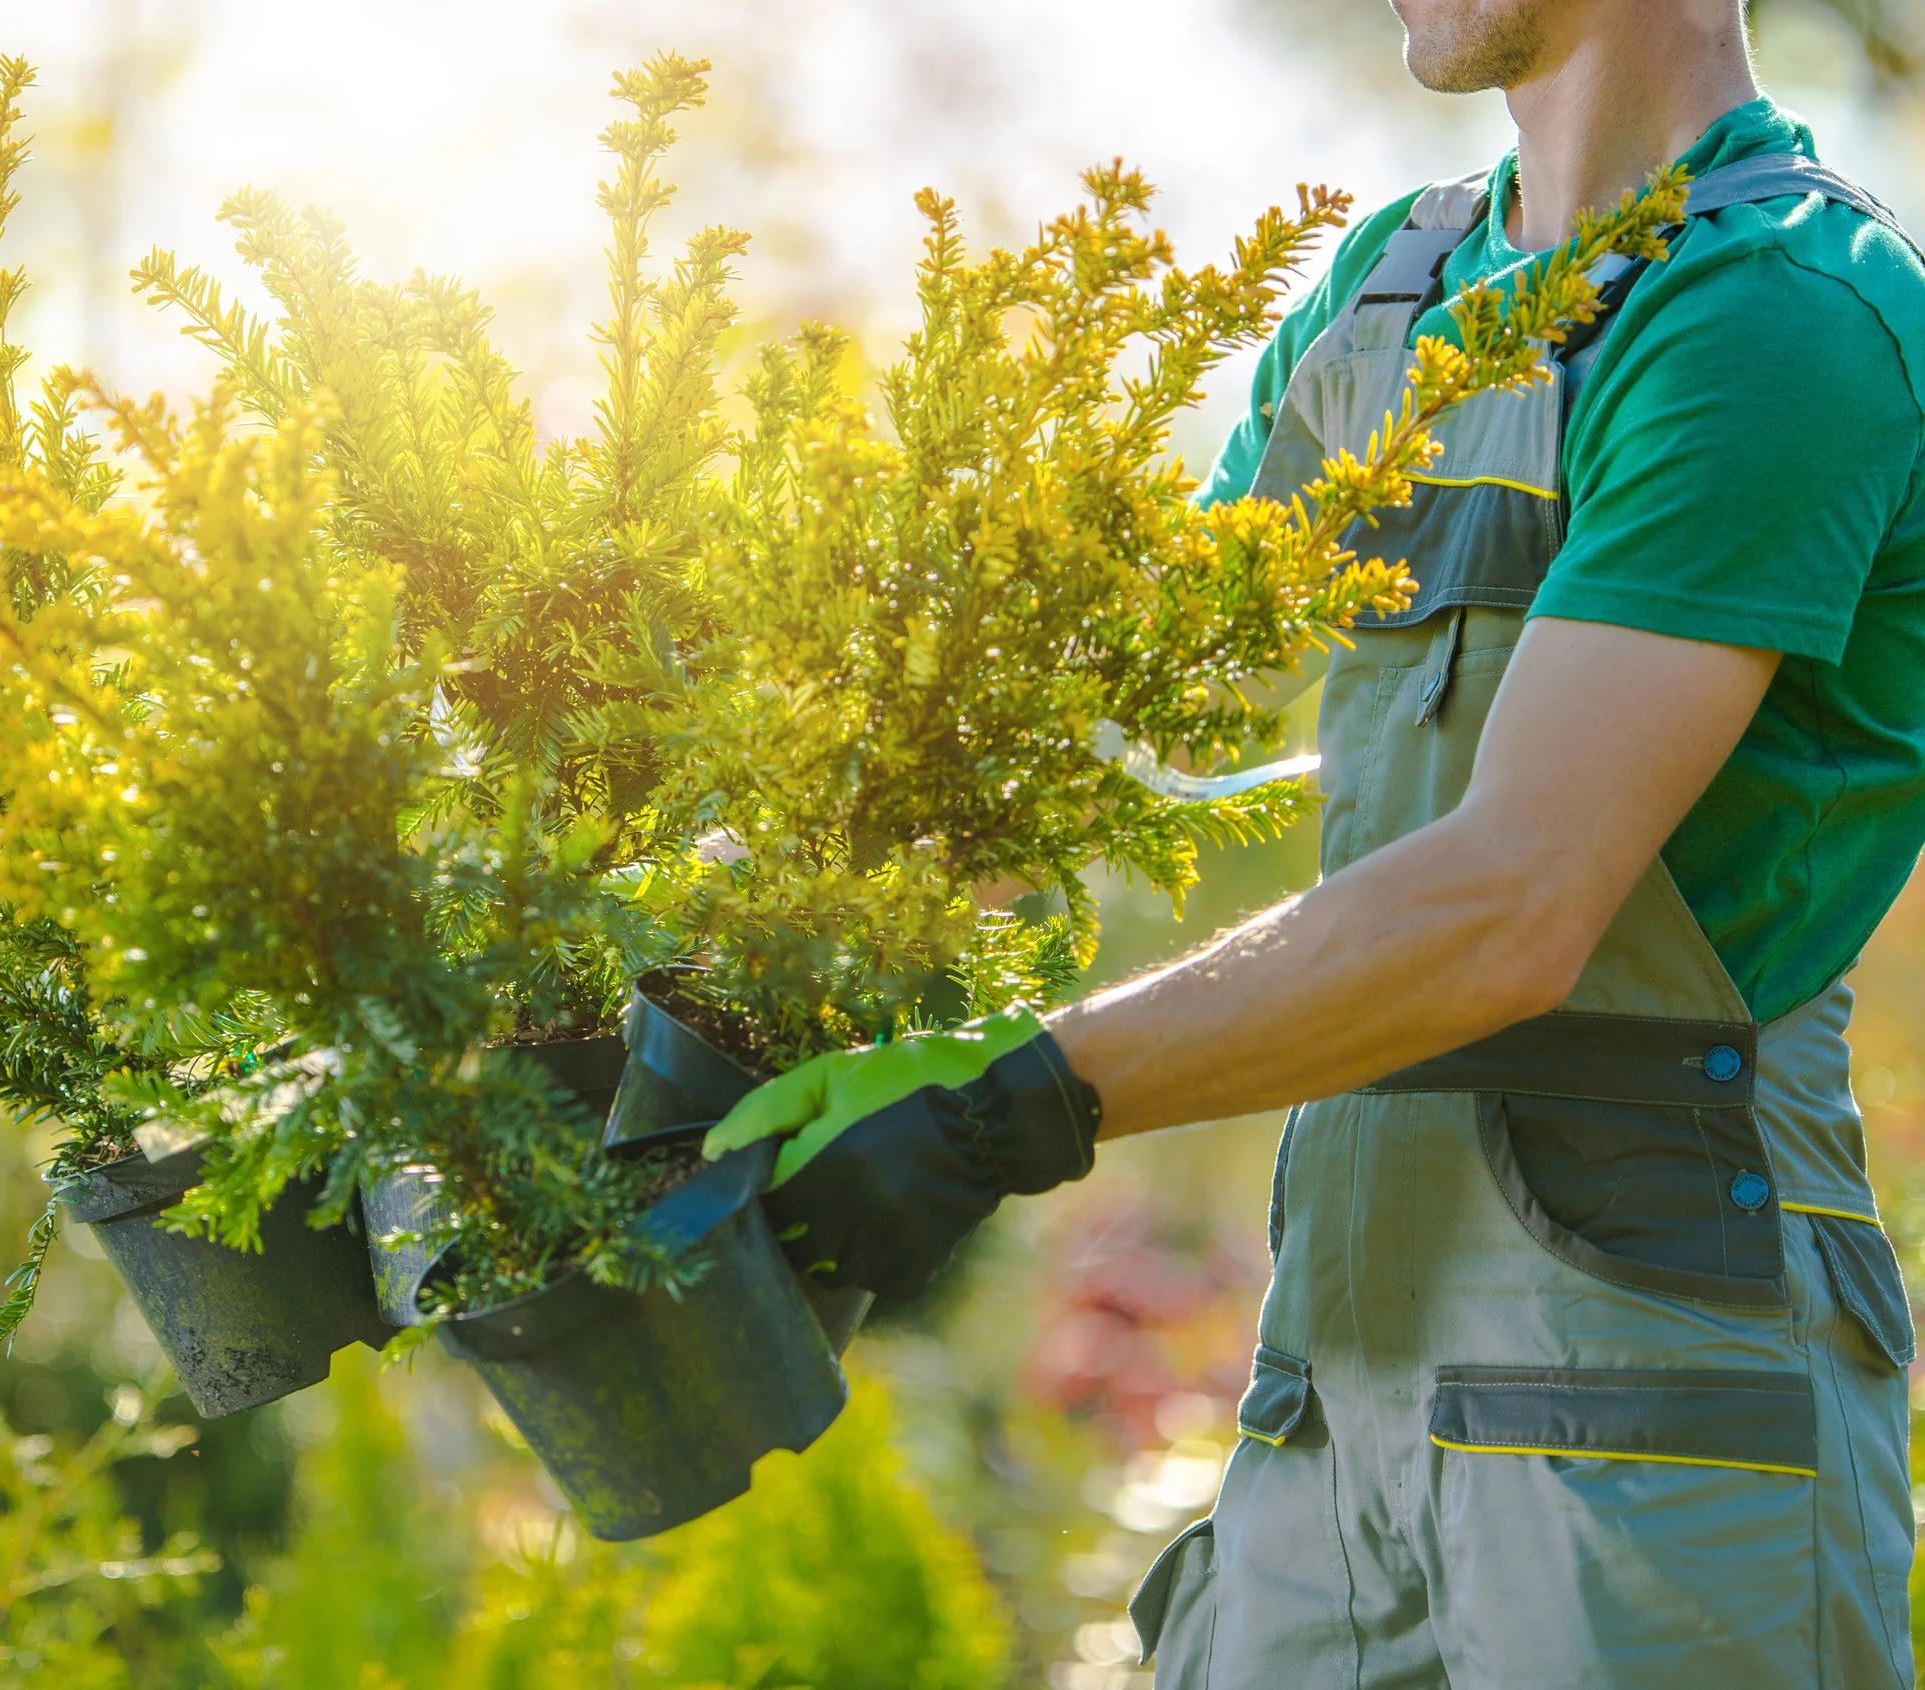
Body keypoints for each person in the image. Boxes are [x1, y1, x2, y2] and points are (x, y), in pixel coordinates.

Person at [725, 1, 1925, 1682]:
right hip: (1336, 1378)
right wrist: (763, 959)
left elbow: (1515, 902)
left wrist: (1011, 1107)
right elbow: (1112, 713)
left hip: (1656, 1400)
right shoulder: (1397, 296)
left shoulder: (1779, 314)